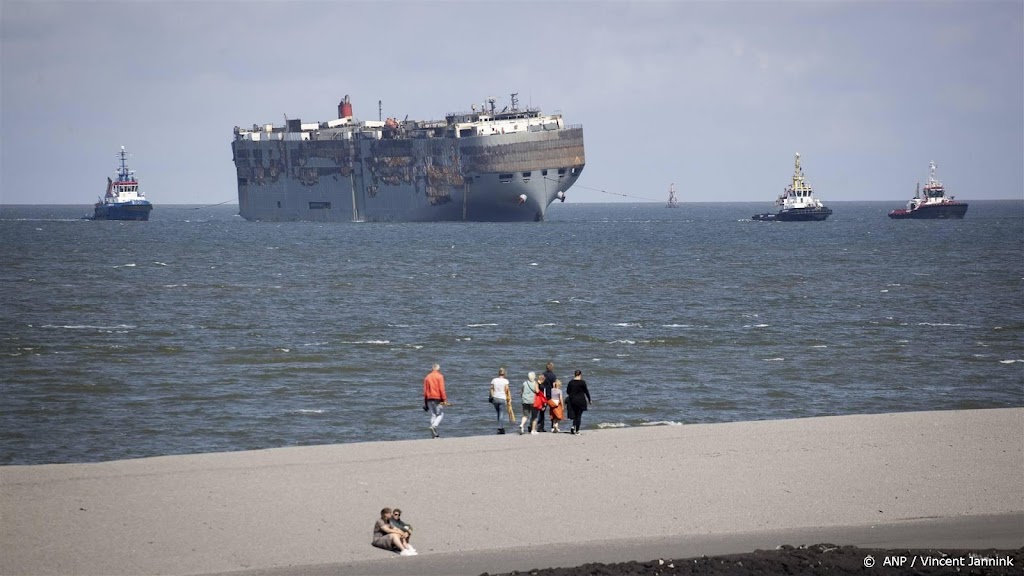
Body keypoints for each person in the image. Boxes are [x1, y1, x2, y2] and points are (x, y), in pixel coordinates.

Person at [423, 363, 447, 438]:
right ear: (438, 369)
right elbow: (442, 389)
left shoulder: (427, 377)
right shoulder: (440, 376)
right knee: (440, 414)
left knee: (433, 415)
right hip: (438, 398)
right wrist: (444, 400)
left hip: (429, 398)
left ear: (432, 368)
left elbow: (425, 391)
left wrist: (425, 402)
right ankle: (434, 426)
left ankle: (434, 434)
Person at [565, 369, 592, 435]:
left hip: (573, 400)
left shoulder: (571, 382)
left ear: (575, 374)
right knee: (579, 415)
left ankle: (573, 426)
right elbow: (586, 391)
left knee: (575, 415)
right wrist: (589, 399)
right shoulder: (582, 382)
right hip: (580, 400)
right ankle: (577, 430)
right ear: (580, 375)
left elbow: (568, 391)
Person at [489, 367, 511, 434]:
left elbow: (491, 388)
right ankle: (500, 428)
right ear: (504, 374)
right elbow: (507, 390)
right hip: (502, 398)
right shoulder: (505, 381)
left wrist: (492, 395)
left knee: (498, 413)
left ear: (499, 373)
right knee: (501, 413)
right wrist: (509, 398)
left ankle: (500, 426)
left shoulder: (494, 380)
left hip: (495, 398)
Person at [537, 362, 557, 432]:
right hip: (551, 395)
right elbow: (554, 385)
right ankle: (553, 426)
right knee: (552, 411)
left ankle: (540, 426)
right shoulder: (553, 376)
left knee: (542, 412)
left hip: (543, 395)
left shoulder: (543, 375)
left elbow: (539, 384)